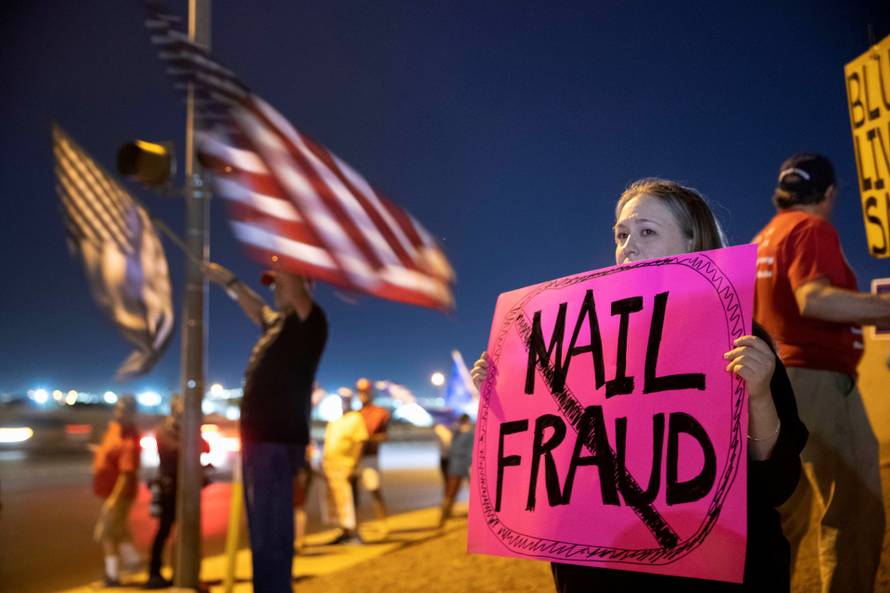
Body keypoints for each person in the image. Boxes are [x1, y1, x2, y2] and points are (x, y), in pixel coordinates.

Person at [470, 178, 808, 592]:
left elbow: (778, 485)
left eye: (647, 232)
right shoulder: (578, 345)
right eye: (622, 234)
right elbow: (549, 468)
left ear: (691, 243)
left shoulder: (739, 339)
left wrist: (758, 394)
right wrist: (504, 399)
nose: (628, 246)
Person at [752, 153, 890, 593]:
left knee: (785, 515)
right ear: (830, 193)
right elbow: (817, 300)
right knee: (854, 510)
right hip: (817, 381)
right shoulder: (810, 229)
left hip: (773, 388)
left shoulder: (764, 238)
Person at [205, 262, 327, 593]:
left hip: (277, 441)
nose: (275, 289)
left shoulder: (310, 322)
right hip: (260, 443)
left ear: (303, 286)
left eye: (281, 284)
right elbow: (256, 307)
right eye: (272, 285)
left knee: (272, 530)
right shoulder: (278, 326)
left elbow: (295, 289)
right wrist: (230, 280)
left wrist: (282, 256)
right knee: (261, 529)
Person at [145, 394, 210, 589]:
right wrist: (190, 438)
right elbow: (175, 450)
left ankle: (182, 572)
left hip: (187, 489)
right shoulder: (164, 430)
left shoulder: (186, 430)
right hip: (170, 488)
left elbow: (205, 447)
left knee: (187, 533)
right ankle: (154, 573)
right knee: (164, 531)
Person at [92, 394, 142, 587]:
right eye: (118, 409)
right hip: (107, 491)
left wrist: (114, 500)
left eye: (124, 410)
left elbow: (126, 474)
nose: (119, 413)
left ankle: (112, 576)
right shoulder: (115, 428)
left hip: (119, 494)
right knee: (119, 527)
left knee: (107, 533)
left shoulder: (129, 439)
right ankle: (133, 560)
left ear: (132, 413)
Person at [322, 393, 369, 543]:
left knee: (351, 500)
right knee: (337, 502)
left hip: (347, 465)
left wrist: (354, 464)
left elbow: (360, 442)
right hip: (332, 466)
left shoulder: (355, 418)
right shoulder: (335, 420)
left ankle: (355, 533)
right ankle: (344, 532)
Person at [354, 378, 390, 534]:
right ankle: (355, 526)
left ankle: (383, 524)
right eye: (360, 392)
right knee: (353, 493)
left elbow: (384, 436)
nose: (363, 395)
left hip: (369, 457)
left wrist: (366, 439)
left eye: (366, 391)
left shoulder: (380, 413)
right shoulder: (355, 415)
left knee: (375, 489)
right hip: (354, 458)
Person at [438, 413, 474, 527]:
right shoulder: (471, 433)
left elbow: (449, 448)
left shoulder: (455, 431)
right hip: (466, 463)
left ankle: (444, 515)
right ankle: (445, 514)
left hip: (456, 463)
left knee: (451, 490)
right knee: (472, 491)